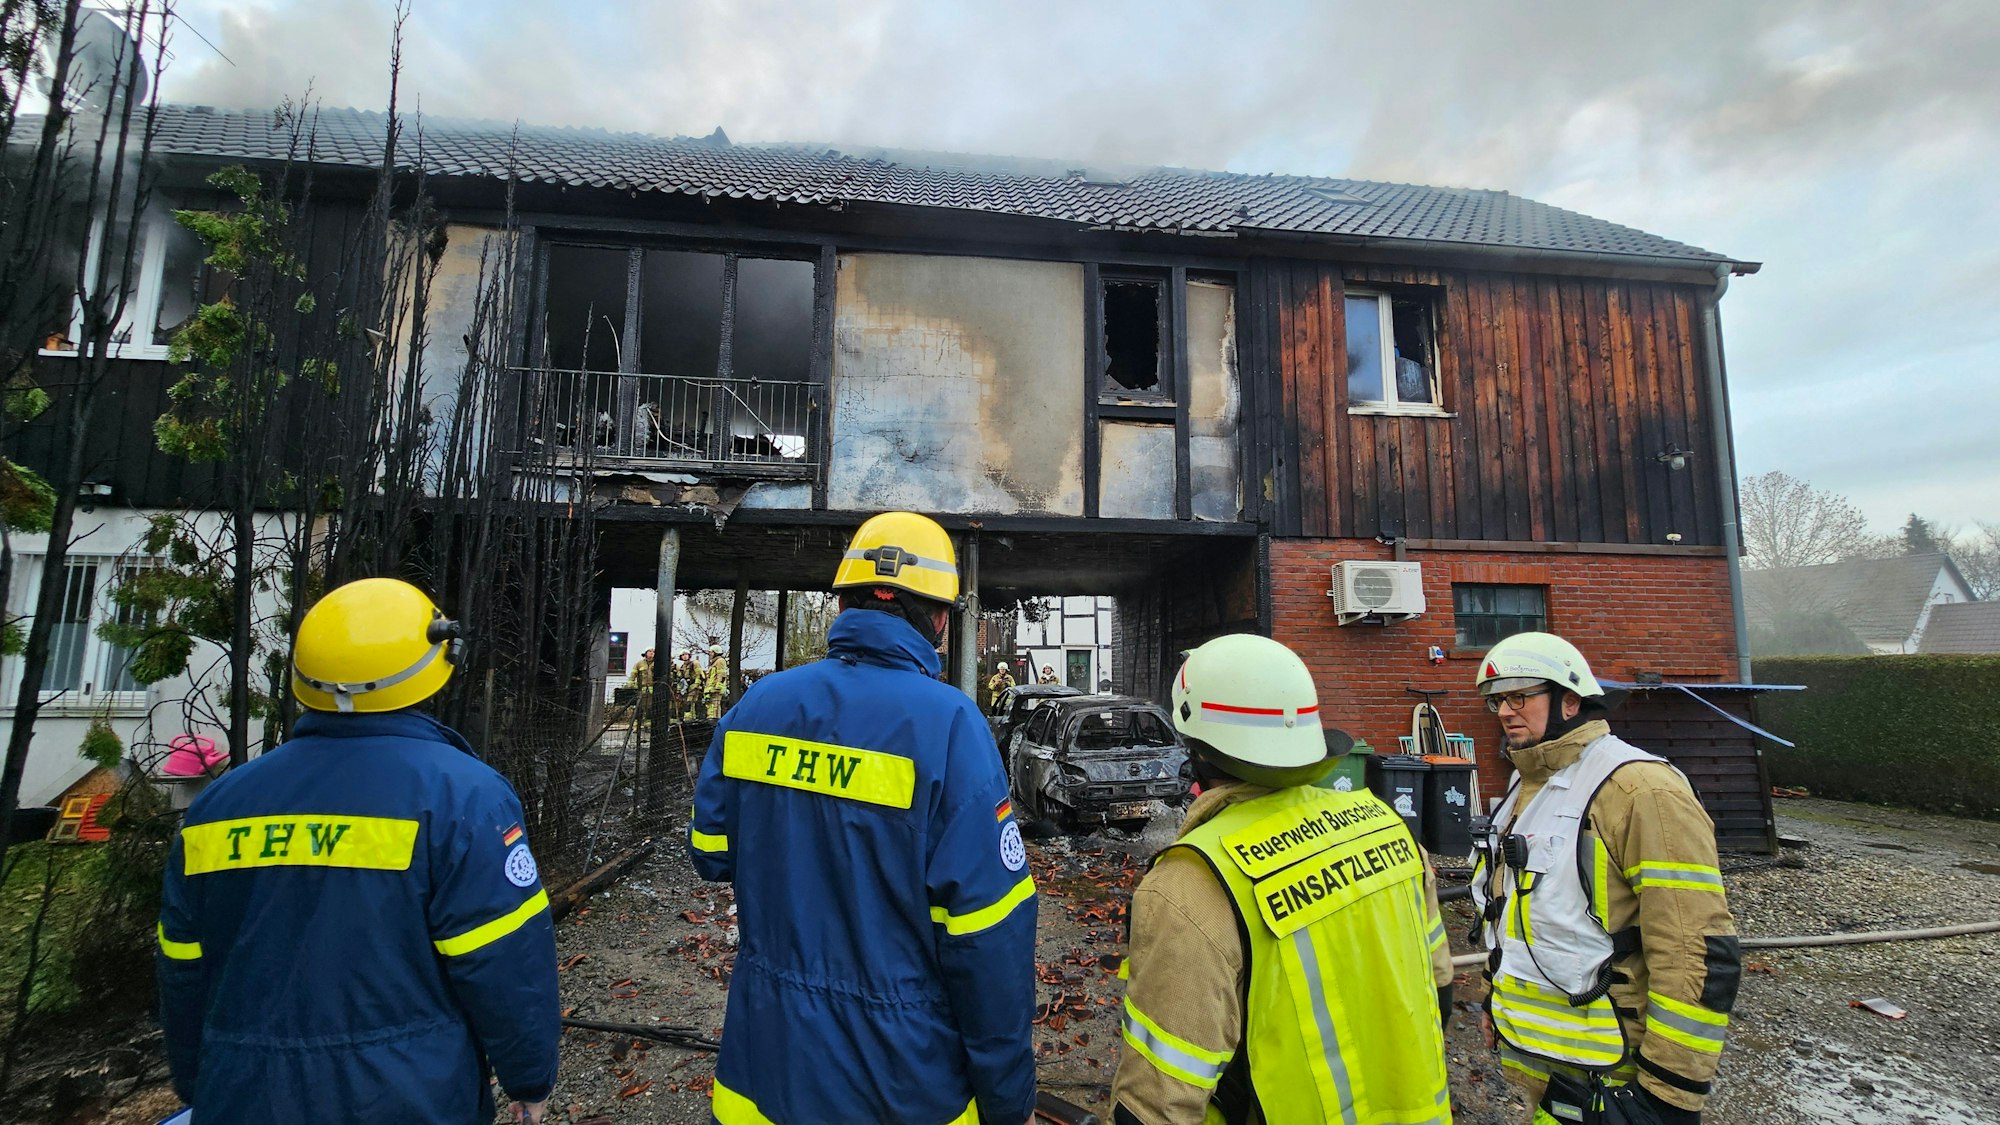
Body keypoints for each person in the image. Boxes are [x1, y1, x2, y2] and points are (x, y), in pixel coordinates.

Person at [156, 578, 559, 1123]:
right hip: (407, 1096)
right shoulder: (465, 797)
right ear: (438, 655)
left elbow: (182, 966)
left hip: (243, 1093)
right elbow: (504, 960)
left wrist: (199, 1081)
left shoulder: (219, 805)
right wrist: (529, 1080)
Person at [689, 512, 1037, 1125]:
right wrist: (1008, 1100)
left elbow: (710, 852)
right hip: (903, 1084)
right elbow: (988, 940)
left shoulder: (757, 706)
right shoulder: (952, 727)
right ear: (937, 619)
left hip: (762, 1072)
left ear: (844, 602)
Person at [1113, 634, 1455, 1125]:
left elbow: (1158, 1102)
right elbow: (1438, 992)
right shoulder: (1389, 827)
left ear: (1197, 751)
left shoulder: (1192, 882)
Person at [1469, 632, 1738, 1125]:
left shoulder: (1642, 789)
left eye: (1520, 695)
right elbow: (1513, 913)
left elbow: (1693, 947)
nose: (1505, 711)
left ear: (1570, 701)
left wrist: (1670, 1093)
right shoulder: (1525, 787)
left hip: (1611, 1070)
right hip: (1540, 1059)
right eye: (1496, 701)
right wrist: (1493, 997)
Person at [702, 643, 729, 720]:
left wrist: (718, 687)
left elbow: (721, 674)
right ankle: (712, 720)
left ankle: (713, 722)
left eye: (711, 652)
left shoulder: (720, 661)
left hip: (715, 689)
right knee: (711, 706)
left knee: (714, 707)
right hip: (711, 689)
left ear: (716, 652)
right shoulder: (714, 662)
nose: (710, 654)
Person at [675, 650, 701, 719]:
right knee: (686, 703)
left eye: (686, 654)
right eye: (683, 655)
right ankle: (689, 718)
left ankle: (690, 718)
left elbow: (699, 675)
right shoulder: (682, 667)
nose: (685, 656)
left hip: (693, 686)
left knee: (690, 703)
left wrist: (696, 685)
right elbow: (680, 678)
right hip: (686, 688)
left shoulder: (694, 663)